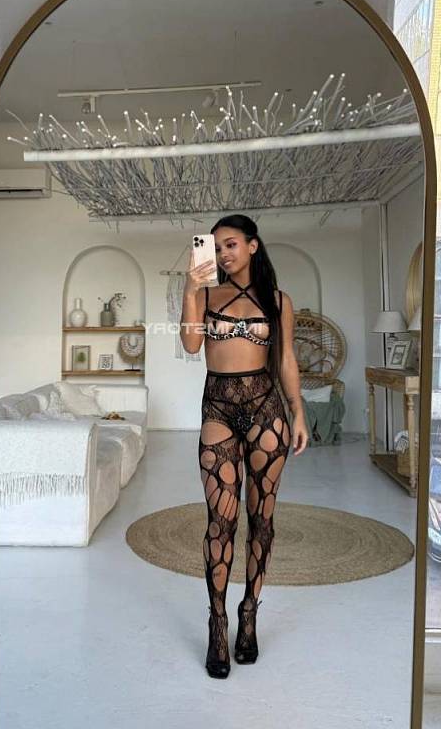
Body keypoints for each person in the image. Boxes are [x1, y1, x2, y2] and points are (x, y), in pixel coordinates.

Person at [180, 213, 309, 678]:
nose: (223, 254)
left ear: (253, 246)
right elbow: (191, 346)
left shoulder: (278, 300)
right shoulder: (204, 295)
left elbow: (286, 358)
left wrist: (298, 411)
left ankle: (249, 611)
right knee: (220, 522)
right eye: (216, 248)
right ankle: (217, 622)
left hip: (266, 410)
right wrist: (191, 289)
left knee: (262, 520)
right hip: (218, 409)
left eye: (231, 244)